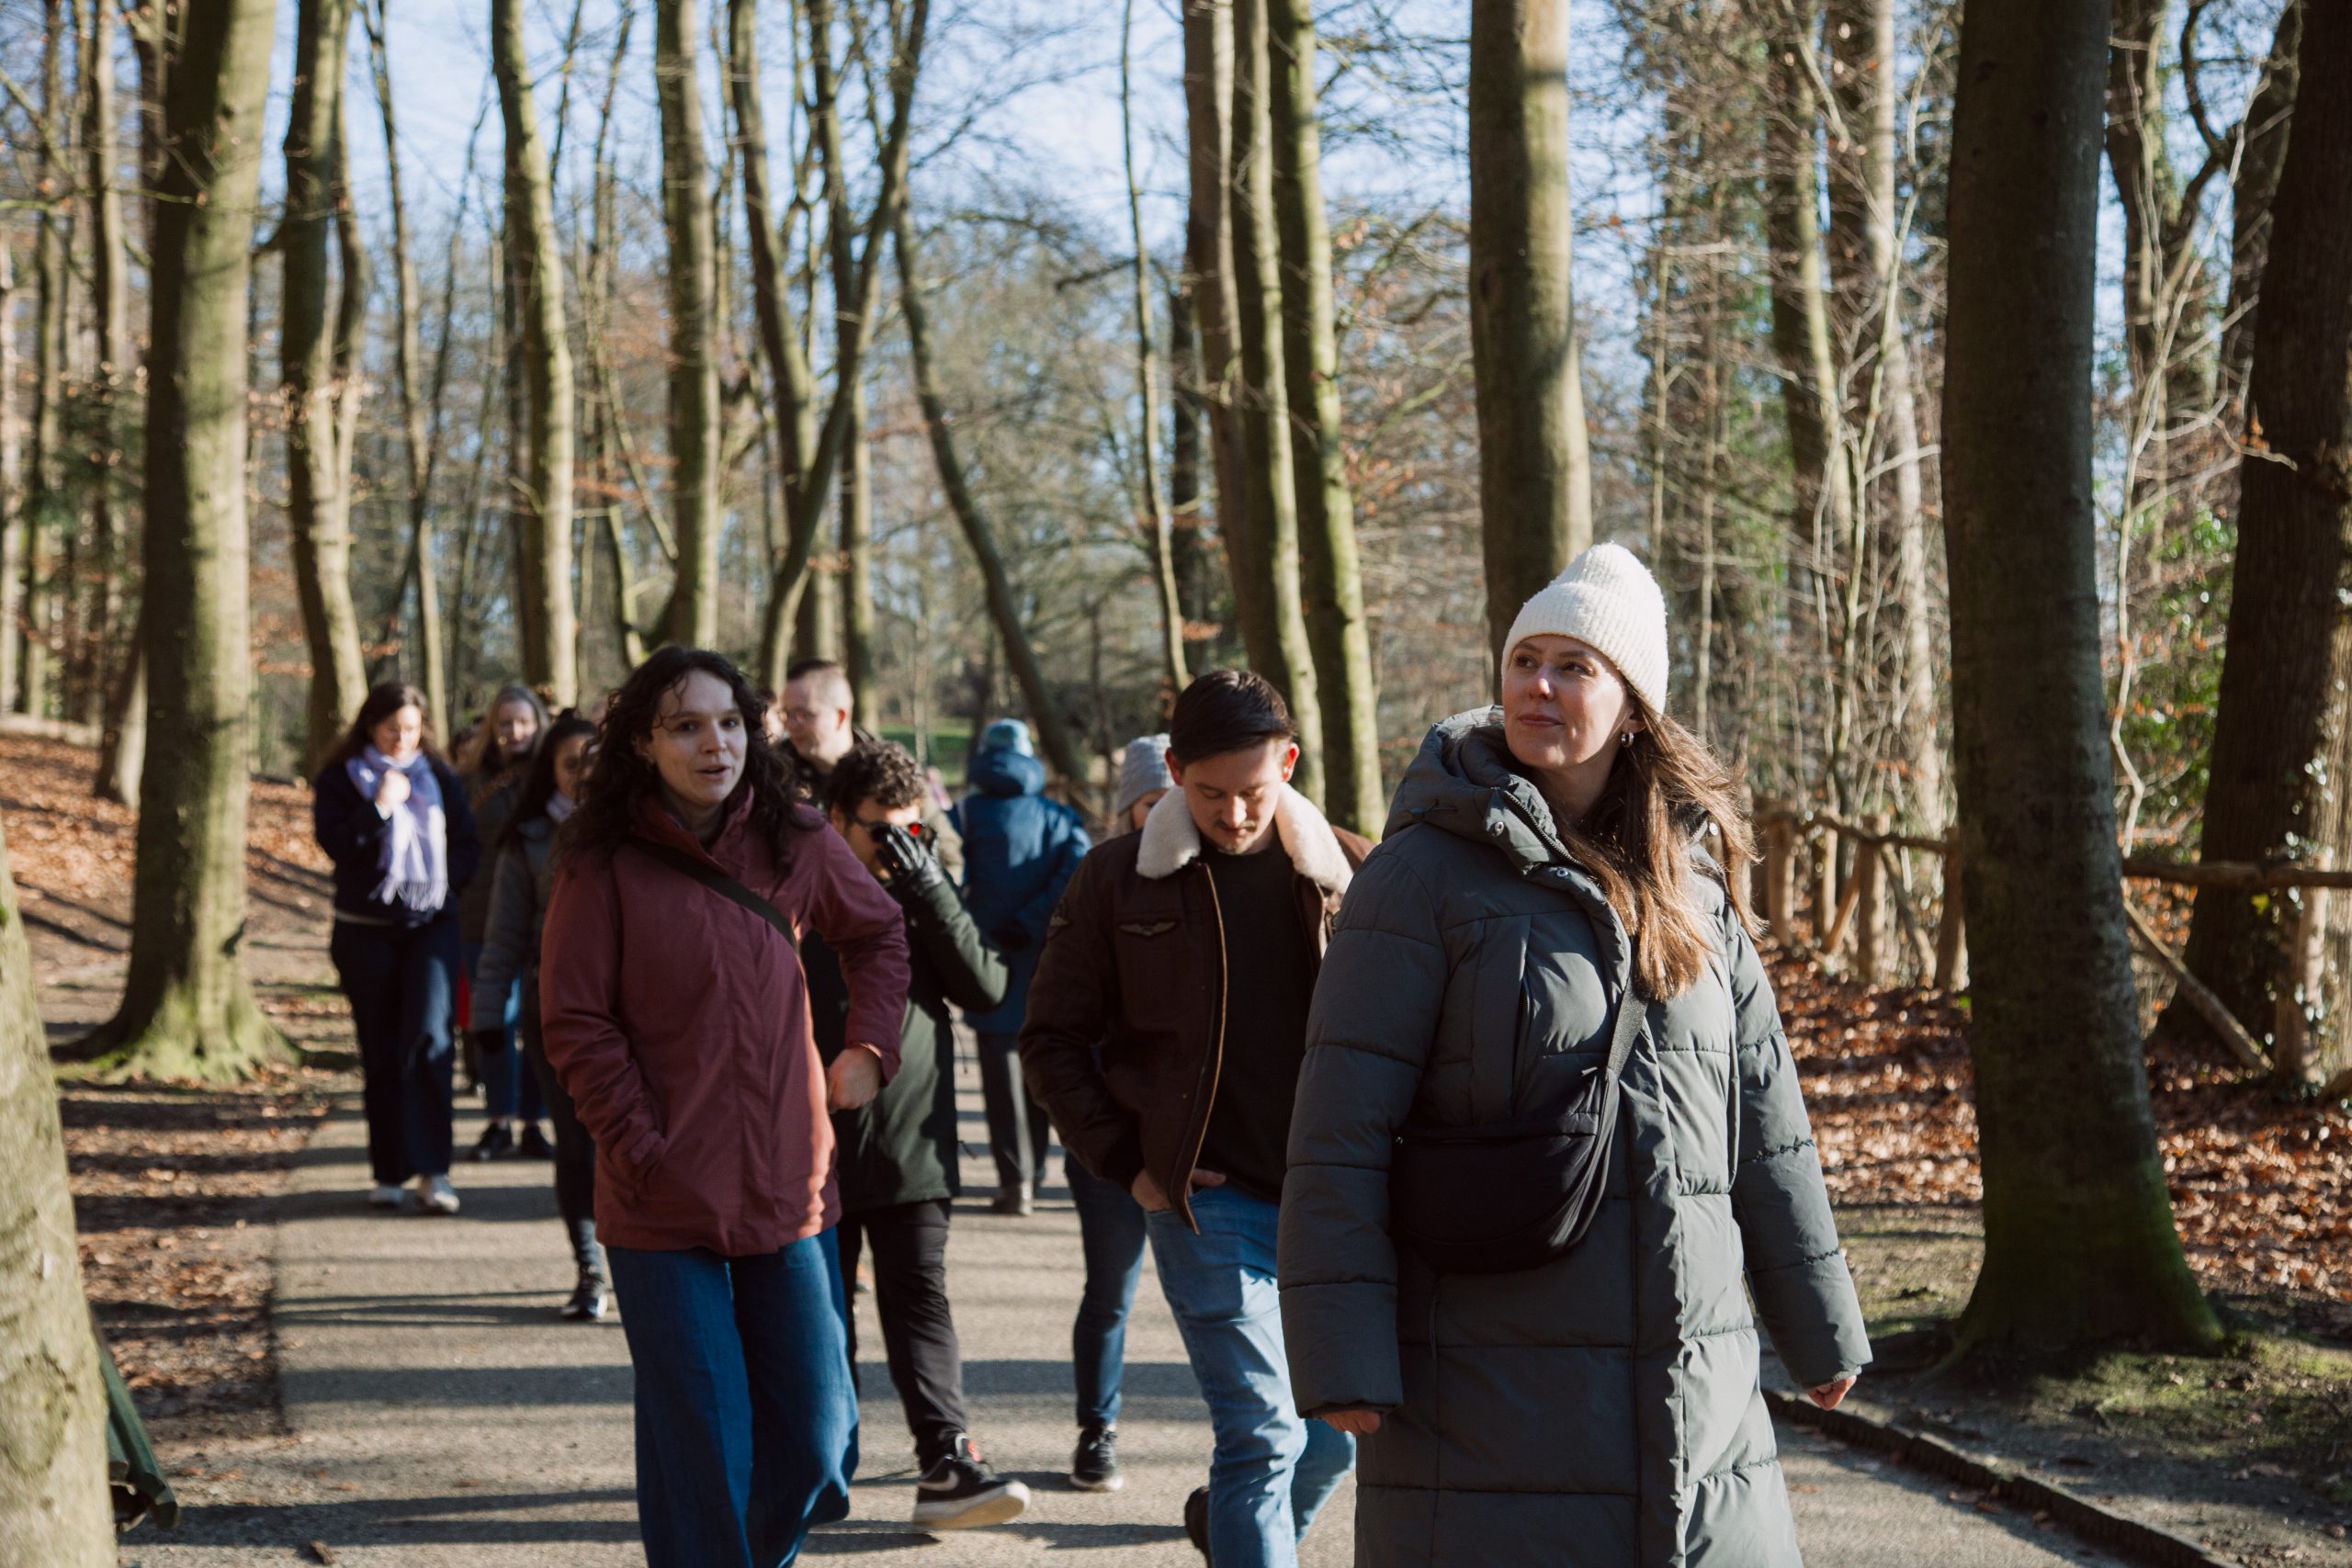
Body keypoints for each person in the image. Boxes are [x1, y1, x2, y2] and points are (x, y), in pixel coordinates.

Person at [1278, 543, 1871, 1567]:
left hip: (1699, 1384)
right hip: (1490, 1387)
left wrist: (1819, 1328)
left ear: (1634, 705)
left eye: (1573, 666)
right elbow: (1339, 1124)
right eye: (1523, 660)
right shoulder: (1421, 875)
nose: (1536, 685)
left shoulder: (1697, 885)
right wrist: (1342, 1357)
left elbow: (1767, 1118)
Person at [539, 648, 912, 1568]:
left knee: (821, 1448)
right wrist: (641, 1145)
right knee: (705, 1449)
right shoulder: (603, 861)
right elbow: (575, 1021)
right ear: (642, 742)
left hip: (790, 1186)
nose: (716, 744)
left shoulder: (792, 836)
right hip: (661, 1201)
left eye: (731, 722)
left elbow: (878, 933)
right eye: (686, 725)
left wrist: (867, 1046)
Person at [1023, 674, 1367, 1566]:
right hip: (1202, 1201)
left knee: (1332, 1433)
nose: (1235, 814)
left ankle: (1236, 1538)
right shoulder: (1113, 880)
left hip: (1334, 1206)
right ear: (1173, 771)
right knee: (1260, 1437)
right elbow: (1051, 1039)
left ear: (1288, 763)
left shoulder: (1354, 875)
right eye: (1209, 793)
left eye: (1254, 790)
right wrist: (1128, 1162)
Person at [814, 741, 1030, 1530]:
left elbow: (987, 986)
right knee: (818, 1313)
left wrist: (929, 884)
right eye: (883, 833)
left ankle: (948, 1460)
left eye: (916, 832)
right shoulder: (796, 886)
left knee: (919, 1302)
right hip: (811, 1148)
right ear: (838, 821)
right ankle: (819, 1463)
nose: (901, 848)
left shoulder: (923, 885)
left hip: (912, 1144)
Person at [1055, 733, 1173, 1495]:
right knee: (1111, 1291)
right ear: (1129, 808)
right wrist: (1115, 1147)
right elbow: (1062, 1032)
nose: (1169, 817)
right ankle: (1096, 1429)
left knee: (1228, 1307)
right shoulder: (1096, 887)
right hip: (1113, 1146)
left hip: (1211, 1145)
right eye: (1153, 803)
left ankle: (1248, 1456)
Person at [312, 682, 481, 1216]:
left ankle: (435, 1172)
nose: (402, 739)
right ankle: (388, 1170)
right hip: (364, 930)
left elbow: (468, 843)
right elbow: (335, 845)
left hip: (431, 927)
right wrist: (380, 809)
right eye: (392, 729)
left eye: (411, 729)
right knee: (381, 1048)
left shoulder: (439, 777)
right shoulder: (341, 778)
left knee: (430, 1041)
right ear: (371, 726)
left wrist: (444, 888)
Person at [469, 713, 605, 1319]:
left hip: (636, 1015)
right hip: (556, 1012)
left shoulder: (642, 829)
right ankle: (590, 1271)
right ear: (550, 770)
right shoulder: (527, 838)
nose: (584, 775)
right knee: (576, 1147)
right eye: (571, 763)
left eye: (594, 762)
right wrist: (489, 1015)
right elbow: (501, 937)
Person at [960, 717, 1091, 1216]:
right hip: (1045, 962)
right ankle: (1040, 1170)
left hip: (985, 961)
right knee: (1041, 1067)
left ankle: (1016, 1183)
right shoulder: (1058, 819)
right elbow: (1077, 871)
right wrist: (1032, 921)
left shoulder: (966, 815)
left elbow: (948, 873)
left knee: (1000, 1076)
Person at [458, 683, 551, 1162]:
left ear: (538, 725)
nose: (514, 731)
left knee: (535, 1024)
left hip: (540, 918)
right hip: (479, 916)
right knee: (493, 1020)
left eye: (523, 722)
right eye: (505, 723)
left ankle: (533, 1123)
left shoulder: (553, 778)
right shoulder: (471, 782)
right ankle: (497, 1120)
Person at [776, 658, 964, 878]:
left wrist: (915, 903)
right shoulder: (774, 774)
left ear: (840, 716)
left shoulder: (894, 771)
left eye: (804, 714)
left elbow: (949, 858)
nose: (790, 725)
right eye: (787, 714)